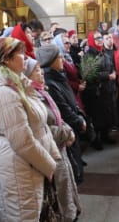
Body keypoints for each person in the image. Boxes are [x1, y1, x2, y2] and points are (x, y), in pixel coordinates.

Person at [0, 37, 60, 221]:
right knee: (23, 216)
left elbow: (41, 125)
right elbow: (23, 141)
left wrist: (52, 156)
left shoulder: (19, 84)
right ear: (6, 59)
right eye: (21, 54)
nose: (26, 57)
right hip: (18, 166)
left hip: (30, 163)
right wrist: (49, 165)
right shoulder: (4, 93)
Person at [24, 57, 82, 222]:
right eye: (36, 70)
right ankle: (65, 216)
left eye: (40, 69)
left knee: (66, 185)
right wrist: (66, 133)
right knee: (58, 191)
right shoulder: (31, 98)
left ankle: (70, 213)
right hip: (50, 149)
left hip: (59, 146)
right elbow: (41, 129)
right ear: (26, 75)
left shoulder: (43, 91)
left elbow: (57, 117)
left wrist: (67, 129)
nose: (41, 72)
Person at [36, 44, 87, 185]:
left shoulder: (58, 76)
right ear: (50, 60)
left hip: (71, 126)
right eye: (59, 57)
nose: (62, 60)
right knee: (71, 170)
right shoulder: (50, 81)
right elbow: (62, 108)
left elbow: (69, 99)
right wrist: (78, 120)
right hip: (64, 129)